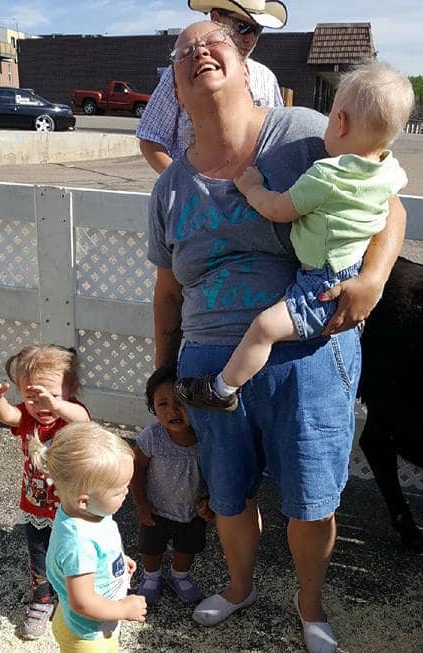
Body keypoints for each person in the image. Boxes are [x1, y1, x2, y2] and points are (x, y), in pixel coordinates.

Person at [149, 21, 405, 653]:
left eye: (216, 44)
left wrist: (372, 277)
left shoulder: (304, 134)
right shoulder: (169, 186)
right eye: (184, 52)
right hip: (209, 375)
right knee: (229, 497)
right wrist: (161, 373)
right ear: (176, 88)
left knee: (311, 503)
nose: (199, 51)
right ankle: (238, 588)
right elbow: (167, 293)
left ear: (245, 64)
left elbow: (387, 205)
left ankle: (310, 605)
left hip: (309, 354)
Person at [176, 62, 413, 410]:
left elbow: (278, 209)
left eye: (331, 116)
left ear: (341, 122)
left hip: (322, 284)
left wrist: (252, 187)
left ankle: (222, 389)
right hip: (342, 273)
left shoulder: (327, 175)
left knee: (263, 329)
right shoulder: (388, 170)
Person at [30, 422, 146, 653]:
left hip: (101, 625)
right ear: (85, 497)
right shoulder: (77, 541)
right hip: (84, 629)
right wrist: (123, 608)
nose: (127, 493)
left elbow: (100, 553)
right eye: (120, 489)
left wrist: (117, 563)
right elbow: (81, 601)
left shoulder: (92, 514)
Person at [0, 345, 89, 640]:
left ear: (71, 389)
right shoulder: (28, 419)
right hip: (36, 506)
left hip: (72, 507)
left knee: (72, 555)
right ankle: (42, 601)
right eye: (31, 396)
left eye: (50, 394)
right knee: (39, 556)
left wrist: (56, 405)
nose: (40, 404)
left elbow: (84, 421)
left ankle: (74, 599)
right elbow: (8, 417)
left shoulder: (69, 417)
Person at [137, 0, 286, 174]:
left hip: (253, 195)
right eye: (242, 26)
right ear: (216, 18)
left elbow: (276, 139)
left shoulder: (266, 77)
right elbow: (151, 139)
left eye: (257, 29)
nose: (250, 38)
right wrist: (185, 185)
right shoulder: (182, 74)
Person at [131, 366, 211, 607]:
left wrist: (211, 500)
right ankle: (152, 576)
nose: (172, 410)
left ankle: (181, 576)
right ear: (153, 408)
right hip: (157, 508)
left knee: (188, 547)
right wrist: (141, 503)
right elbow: (137, 469)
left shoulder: (206, 437)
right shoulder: (152, 437)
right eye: (162, 404)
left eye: (180, 402)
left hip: (193, 510)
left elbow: (217, 472)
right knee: (150, 547)